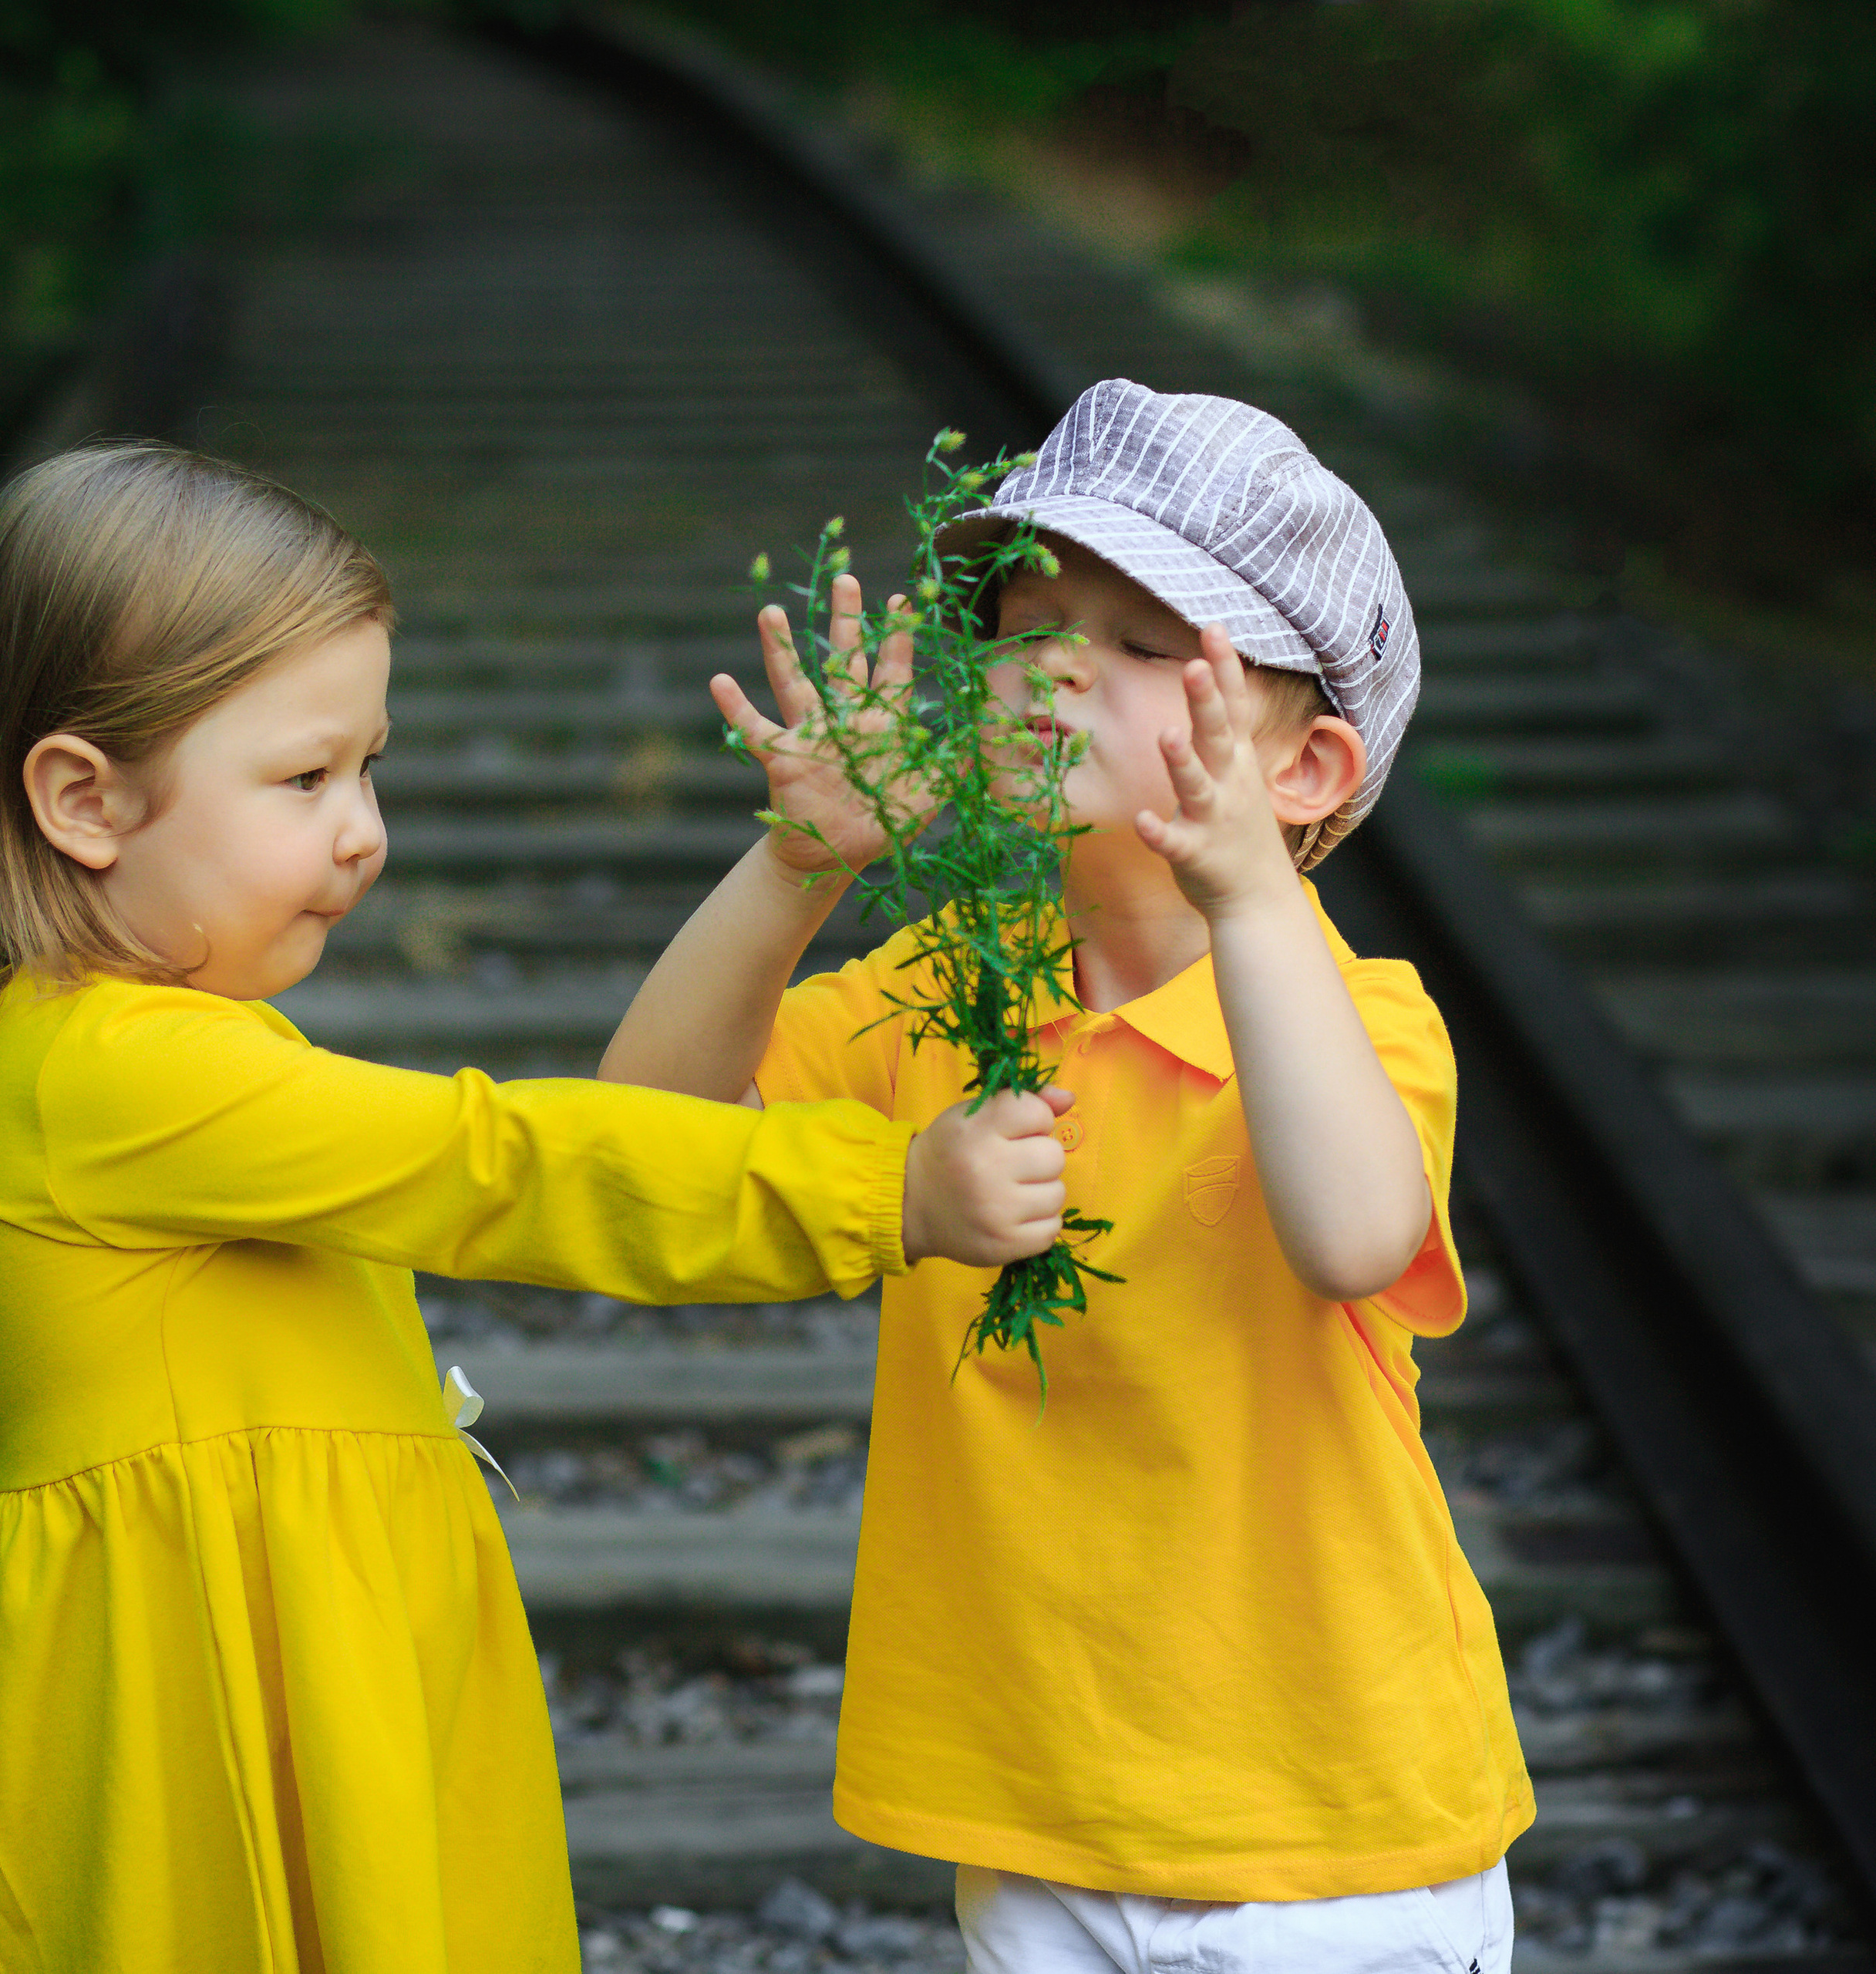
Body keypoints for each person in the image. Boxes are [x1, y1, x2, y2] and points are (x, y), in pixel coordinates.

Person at [0, 442, 1069, 1974]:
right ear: (82, 798)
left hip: (316, 1647)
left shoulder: (146, 1047)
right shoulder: (106, 1076)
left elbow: (579, 1138)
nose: (364, 829)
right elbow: (497, 1162)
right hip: (206, 1684)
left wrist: (800, 864)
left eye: (369, 765)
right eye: (304, 776)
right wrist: (881, 1188)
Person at [600, 380, 1534, 1974]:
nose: (1052, 661)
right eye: (1026, 615)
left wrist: (1244, 903)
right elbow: (640, 1131)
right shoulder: (947, 983)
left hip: (1328, 1832)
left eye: (1146, 640)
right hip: (1037, 1813)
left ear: (1302, 769)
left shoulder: (1362, 1017)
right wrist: (798, 863)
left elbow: (1351, 1230)